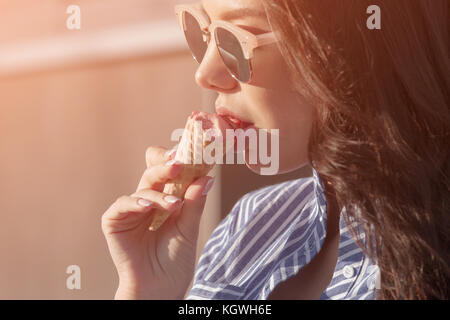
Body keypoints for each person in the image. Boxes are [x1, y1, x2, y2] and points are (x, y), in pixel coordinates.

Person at [101, 0, 449, 299]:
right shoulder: (247, 228)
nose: (205, 74)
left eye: (234, 41)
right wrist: (149, 290)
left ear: (344, 50)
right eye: (203, 33)